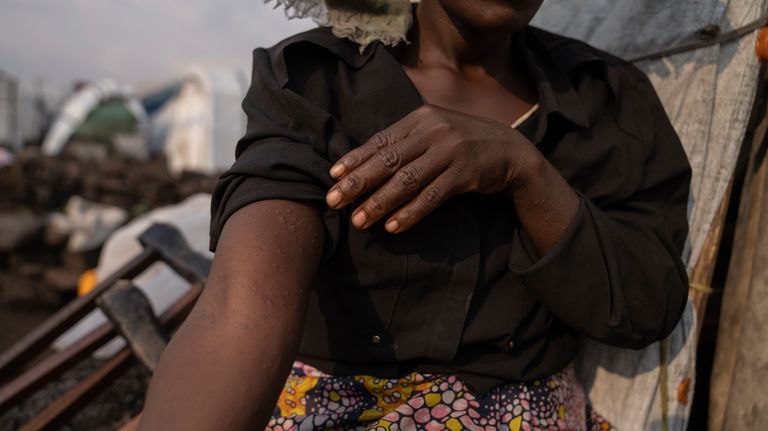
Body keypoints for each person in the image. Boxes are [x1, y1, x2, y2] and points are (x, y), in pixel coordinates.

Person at [138, 1, 691, 430]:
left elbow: (646, 307)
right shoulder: (316, 81)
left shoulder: (610, 103)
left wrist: (526, 172)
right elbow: (244, 307)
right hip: (324, 407)